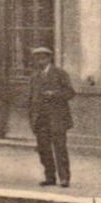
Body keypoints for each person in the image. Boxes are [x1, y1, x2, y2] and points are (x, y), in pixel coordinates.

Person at [28, 46, 75, 187]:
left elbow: (70, 93)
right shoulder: (34, 76)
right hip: (40, 119)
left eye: (42, 58)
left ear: (49, 58)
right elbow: (31, 99)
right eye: (37, 58)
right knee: (43, 149)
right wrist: (32, 118)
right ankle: (50, 177)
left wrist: (54, 94)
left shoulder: (60, 74)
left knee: (60, 149)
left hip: (57, 118)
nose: (39, 61)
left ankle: (64, 178)